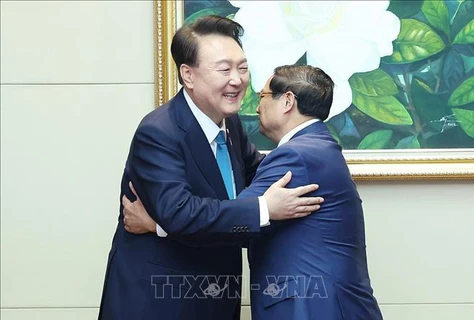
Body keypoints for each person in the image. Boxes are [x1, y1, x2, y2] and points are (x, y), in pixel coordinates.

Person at [98, 16, 324, 320]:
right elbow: (180, 213)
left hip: (214, 297)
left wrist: (157, 226)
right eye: (224, 69)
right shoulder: (159, 132)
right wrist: (263, 209)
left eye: (242, 68)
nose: (237, 79)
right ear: (188, 75)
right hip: (159, 303)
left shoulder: (230, 123)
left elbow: (259, 178)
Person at [124, 64, 383, 319]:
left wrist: (157, 224)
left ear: (287, 102)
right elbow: (251, 221)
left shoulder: (294, 157)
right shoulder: (317, 149)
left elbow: (236, 223)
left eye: (263, 97)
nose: (257, 107)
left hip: (313, 308)